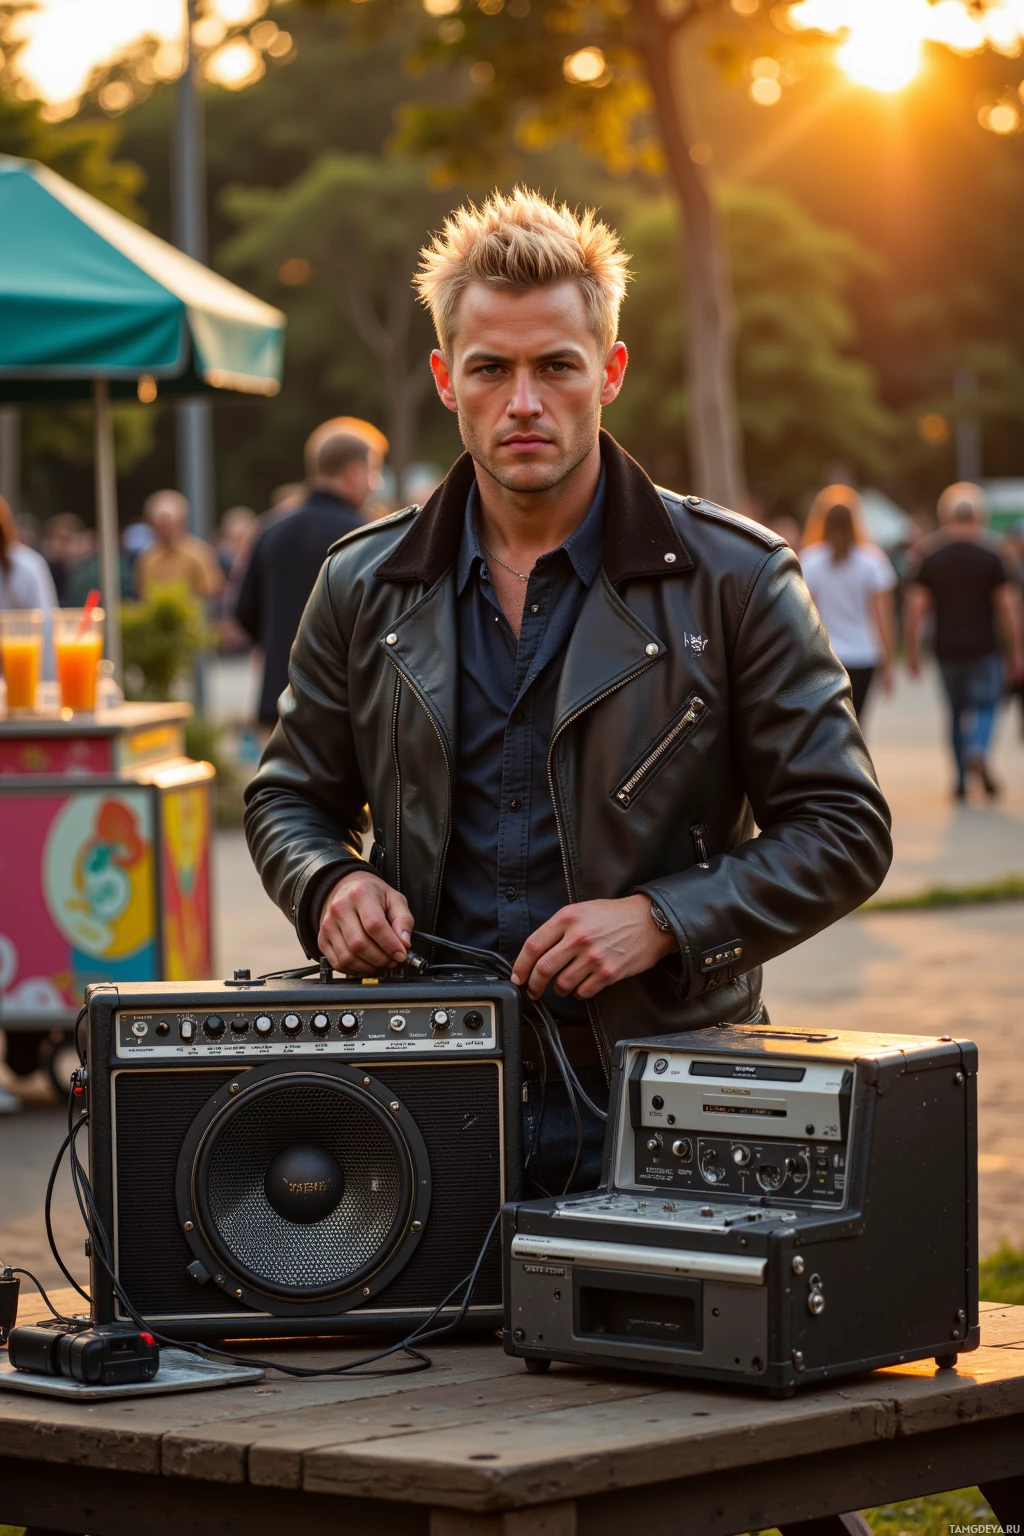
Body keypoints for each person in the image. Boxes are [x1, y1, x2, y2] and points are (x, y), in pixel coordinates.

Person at [243, 189, 892, 1192]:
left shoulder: (735, 577)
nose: (524, 402)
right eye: (489, 370)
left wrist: (663, 919)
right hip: (418, 1101)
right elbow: (287, 797)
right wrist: (329, 883)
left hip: (662, 1092)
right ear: (445, 381)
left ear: (610, 371)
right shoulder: (360, 581)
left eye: (556, 366)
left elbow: (844, 828)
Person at [234, 425, 378, 725]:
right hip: (345, 706)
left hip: (278, 699)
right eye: (373, 471)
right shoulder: (367, 536)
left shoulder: (270, 530)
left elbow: (243, 610)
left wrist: (280, 645)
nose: (374, 485)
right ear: (353, 473)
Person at [904, 482, 1024, 800]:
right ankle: (978, 747)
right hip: (984, 647)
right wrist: (1016, 649)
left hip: (946, 648)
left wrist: (913, 651)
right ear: (979, 516)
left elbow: (916, 608)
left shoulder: (931, 556)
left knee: (955, 712)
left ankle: (959, 779)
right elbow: (1008, 607)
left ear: (945, 515)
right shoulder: (993, 554)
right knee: (987, 704)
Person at [800, 486, 896, 719]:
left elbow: (804, 615)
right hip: (864, 654)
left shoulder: (810, 560)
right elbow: (883, 617)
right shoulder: (872, 560)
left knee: (830, 723)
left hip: (827, 655)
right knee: (857, 721)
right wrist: (888, 663)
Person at [134, 490, 224, 604]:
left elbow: (213, 590)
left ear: (182, 522)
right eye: (161, 526)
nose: (165, 531)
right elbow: (142, 594)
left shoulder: (199, 553)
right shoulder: (147, 558)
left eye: (169, 524)